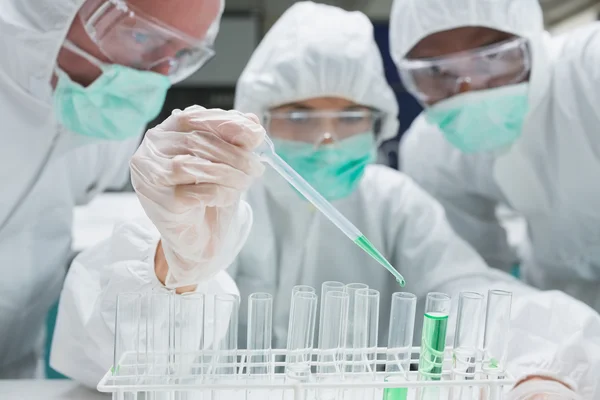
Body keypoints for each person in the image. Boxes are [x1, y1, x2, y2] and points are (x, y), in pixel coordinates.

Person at [51, 1, 599, 397]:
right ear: (258, 122)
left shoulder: (395, 202)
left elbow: (466, 290)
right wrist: (177, 264)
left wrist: (539, 369)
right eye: (301, 115)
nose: (329, 136)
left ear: (379, 120)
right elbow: (100, 352)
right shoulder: (212, 195)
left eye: (350, 115)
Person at [0, 0, 229, 380]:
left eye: (183, 52)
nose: (162, 71)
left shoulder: (102, 110)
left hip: (16, 369)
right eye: (142, 35)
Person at [389, 0, 600, 312]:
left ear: (531, 41)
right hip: (559, 310)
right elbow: (469, 278)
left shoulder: (589, 70)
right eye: (436, 71)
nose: (469, 87)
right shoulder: (430, 148)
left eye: (493, 57)